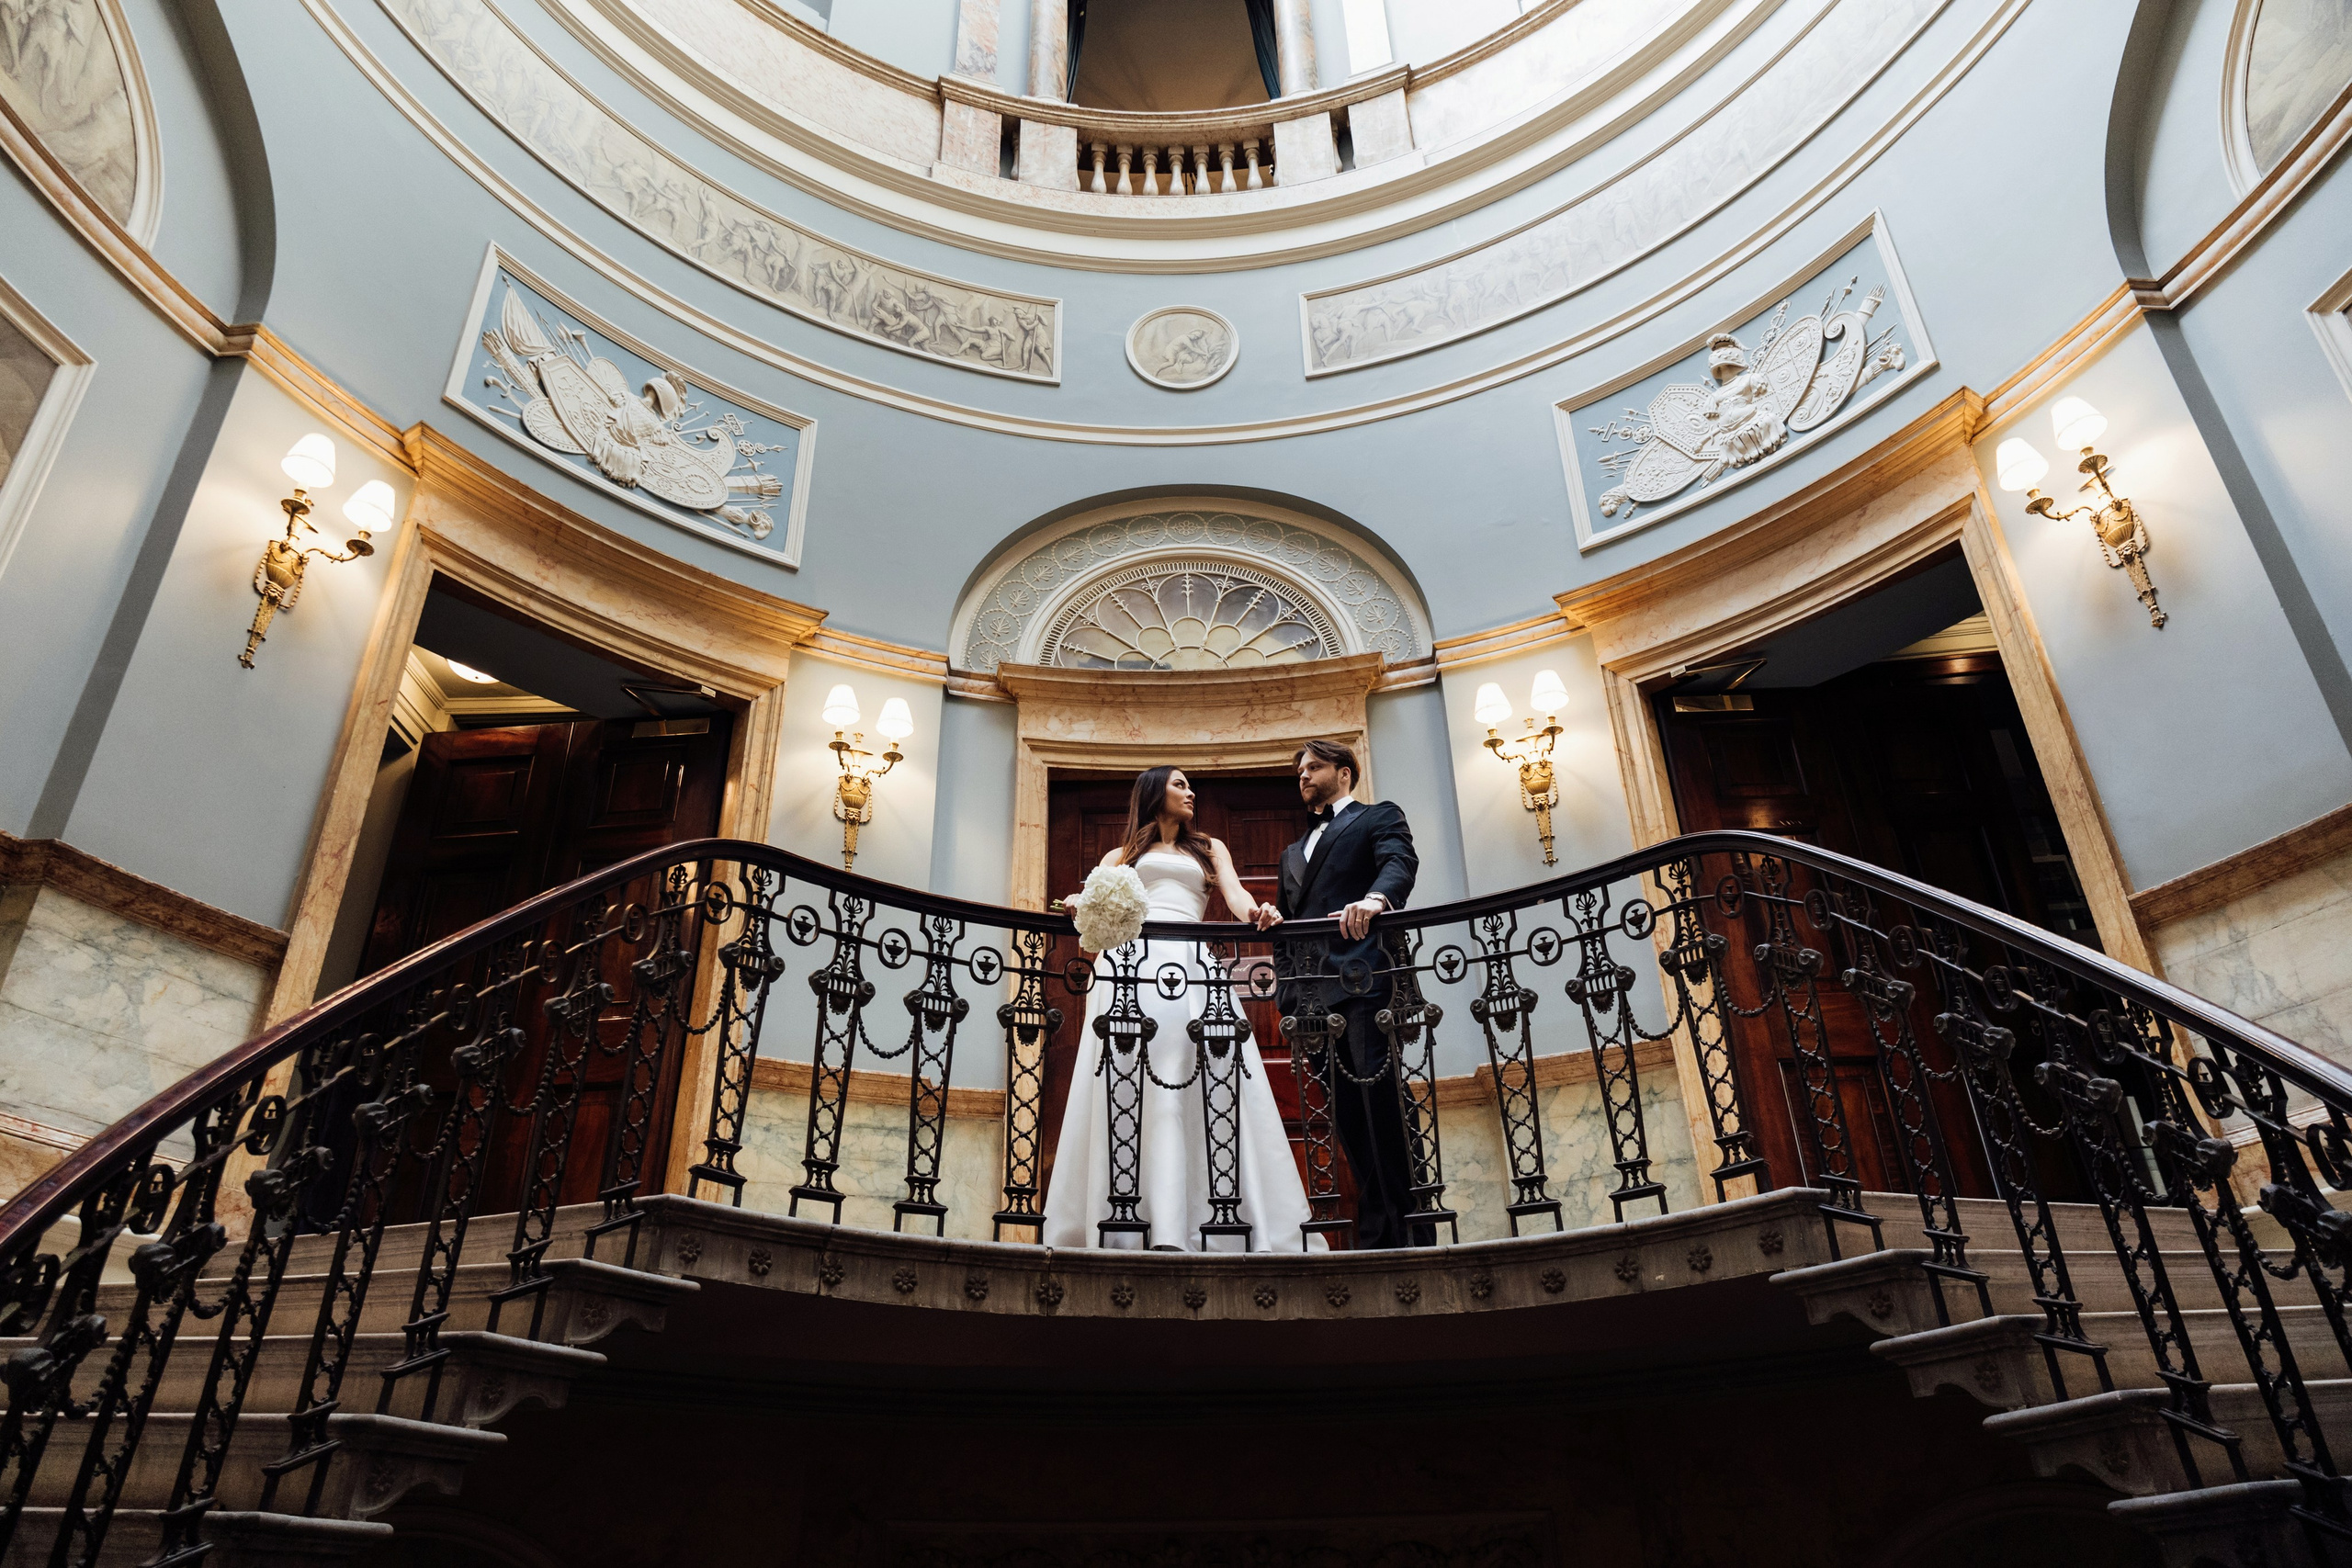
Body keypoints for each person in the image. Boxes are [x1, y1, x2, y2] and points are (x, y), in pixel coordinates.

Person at [1043, 766, 1319, 1253]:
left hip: (1189, 968)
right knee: (1131, 1083)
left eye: (1191, 785)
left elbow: (1235, 899)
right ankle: (1133, 1225)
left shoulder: (1209, 848)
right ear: (1153, 792)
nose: (1190, 792)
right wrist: (1077, 905)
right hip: (1130, 968)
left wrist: (1260, 912)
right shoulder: (1120, 855)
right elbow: (1094, 905)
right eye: (1179, 784)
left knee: (1196, 1080)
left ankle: (1199, 1225)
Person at [1272, 739, 1425, 1248]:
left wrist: (1377, 899)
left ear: (1344, 772)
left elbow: (1398, 861)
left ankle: (1409, 1224)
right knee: (1346, 1115)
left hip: (1363, 980)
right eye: (1299, 770)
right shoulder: (1291, 853)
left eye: (1313, 767)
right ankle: (1378, 1224)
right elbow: (1287, 926)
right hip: (1312, 1001)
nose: (1303, 776)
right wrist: (1287, 997)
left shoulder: (1377, 815)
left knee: (1380, 1101)